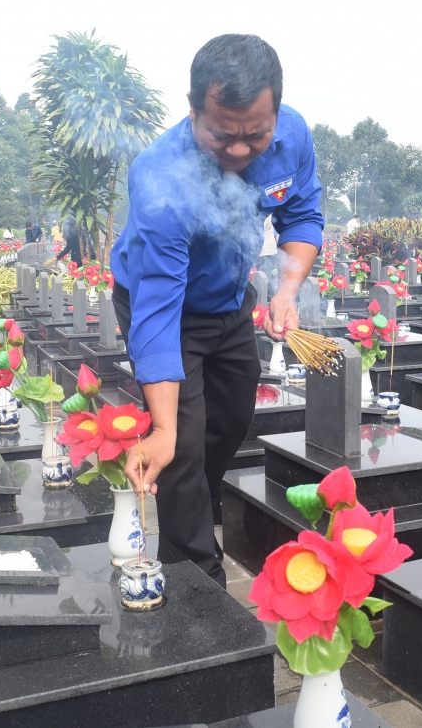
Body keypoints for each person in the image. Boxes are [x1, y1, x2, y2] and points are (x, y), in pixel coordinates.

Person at [111, 34, 324, 586]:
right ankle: (198, 584)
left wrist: (286, 290)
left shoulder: (292, 136)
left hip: (231, 300)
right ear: (193, 108)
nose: (237, 150)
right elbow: (156, 311)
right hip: (167, 309)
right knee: (178, 441)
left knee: (229, 421)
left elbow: (301, 217)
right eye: (221, 134)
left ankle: (196, 509)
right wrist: (160, 428)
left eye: (254, 134)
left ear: (275, 111)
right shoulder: (160, 178)